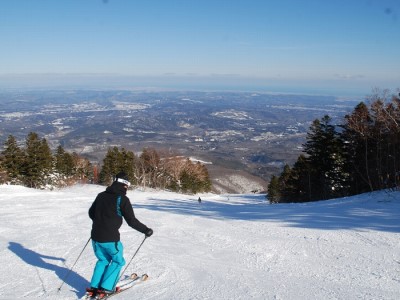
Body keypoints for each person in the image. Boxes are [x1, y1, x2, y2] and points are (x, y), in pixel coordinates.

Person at [86, 171, 153, 298]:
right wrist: (146, 230)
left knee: (103, 260)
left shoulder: (101, 195)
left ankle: (94, 287)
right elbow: (131, 221)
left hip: (95, 237)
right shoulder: (122, 199)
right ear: (125, 185)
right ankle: (106, 288)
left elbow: (91, 213)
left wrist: (101, 222)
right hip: (110, 239)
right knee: (118, 261)